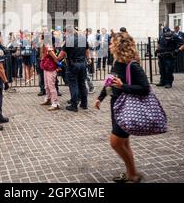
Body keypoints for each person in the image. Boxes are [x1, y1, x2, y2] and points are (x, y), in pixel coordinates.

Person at [95, 32, 150, 183]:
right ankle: (132, 173)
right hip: (117, 106)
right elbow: (110, 81)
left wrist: (123, 86)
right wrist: (101, 97)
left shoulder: (132, 65)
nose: (110, 45)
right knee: (124, 142)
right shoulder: (118, 62)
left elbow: (145, 88)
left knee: (115, 142)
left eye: (112, 43)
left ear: (119, 46)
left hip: (126, 108)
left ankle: (132, 173)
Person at [58, 25, 90, 112]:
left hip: (73, 65)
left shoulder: (69, 40)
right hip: (83, 64)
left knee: (73, 85)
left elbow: (62, 54)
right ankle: (84, 104)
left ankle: (74, 105)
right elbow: (87, 51)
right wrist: (88, 60)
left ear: (67, 32)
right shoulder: (83, 38)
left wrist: (57, 59)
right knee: (82, 84)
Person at [39, 39, 60, 111]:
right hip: (46, 68)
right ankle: (48, 99)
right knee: (46, 85)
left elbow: (56, 58)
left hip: (51, 68)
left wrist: (59, 65)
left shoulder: (48, 47)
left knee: (51, 86)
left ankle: (55, 103)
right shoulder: (44, 47)